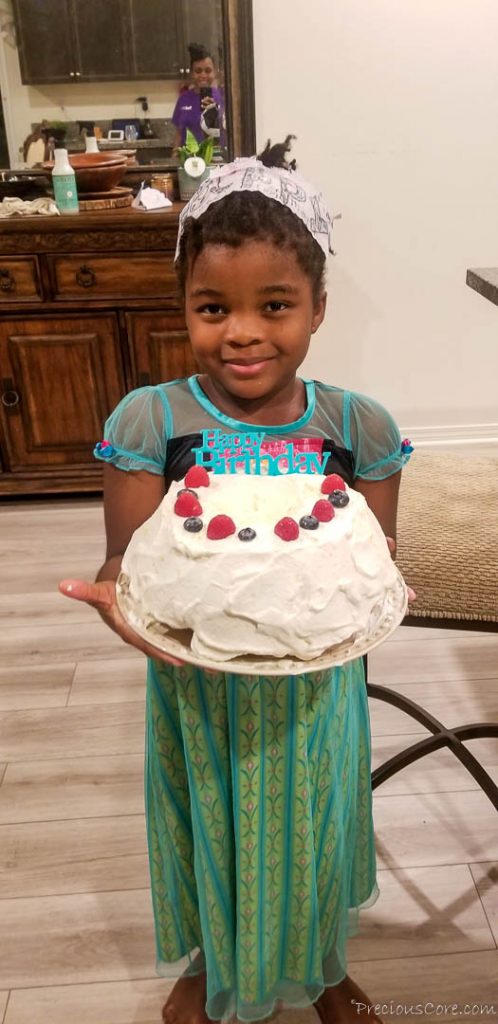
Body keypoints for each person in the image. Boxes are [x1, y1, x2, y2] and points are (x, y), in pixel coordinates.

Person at [60, 151, 413, 1024]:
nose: (244, 332)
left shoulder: (356, 425)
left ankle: (324, 966)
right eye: (213, 308)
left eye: (275, 306)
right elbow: (125, 565)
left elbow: (376, 560)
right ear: (184, 307)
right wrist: (120, 611)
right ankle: (212, 961)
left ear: (319, 309)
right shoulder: (153, 419)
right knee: (213, 829)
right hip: (198, 692)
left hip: (318, 693)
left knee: (314, 828)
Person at [172, 42, 225, 150]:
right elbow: (178, 133)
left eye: (208, 70)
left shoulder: (222, 97)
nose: (203, 75)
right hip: (188, 160)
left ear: (215, 72)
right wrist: (174, 155)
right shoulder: (183, 99)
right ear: (192, 73)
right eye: (198, 71)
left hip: (216, 158)